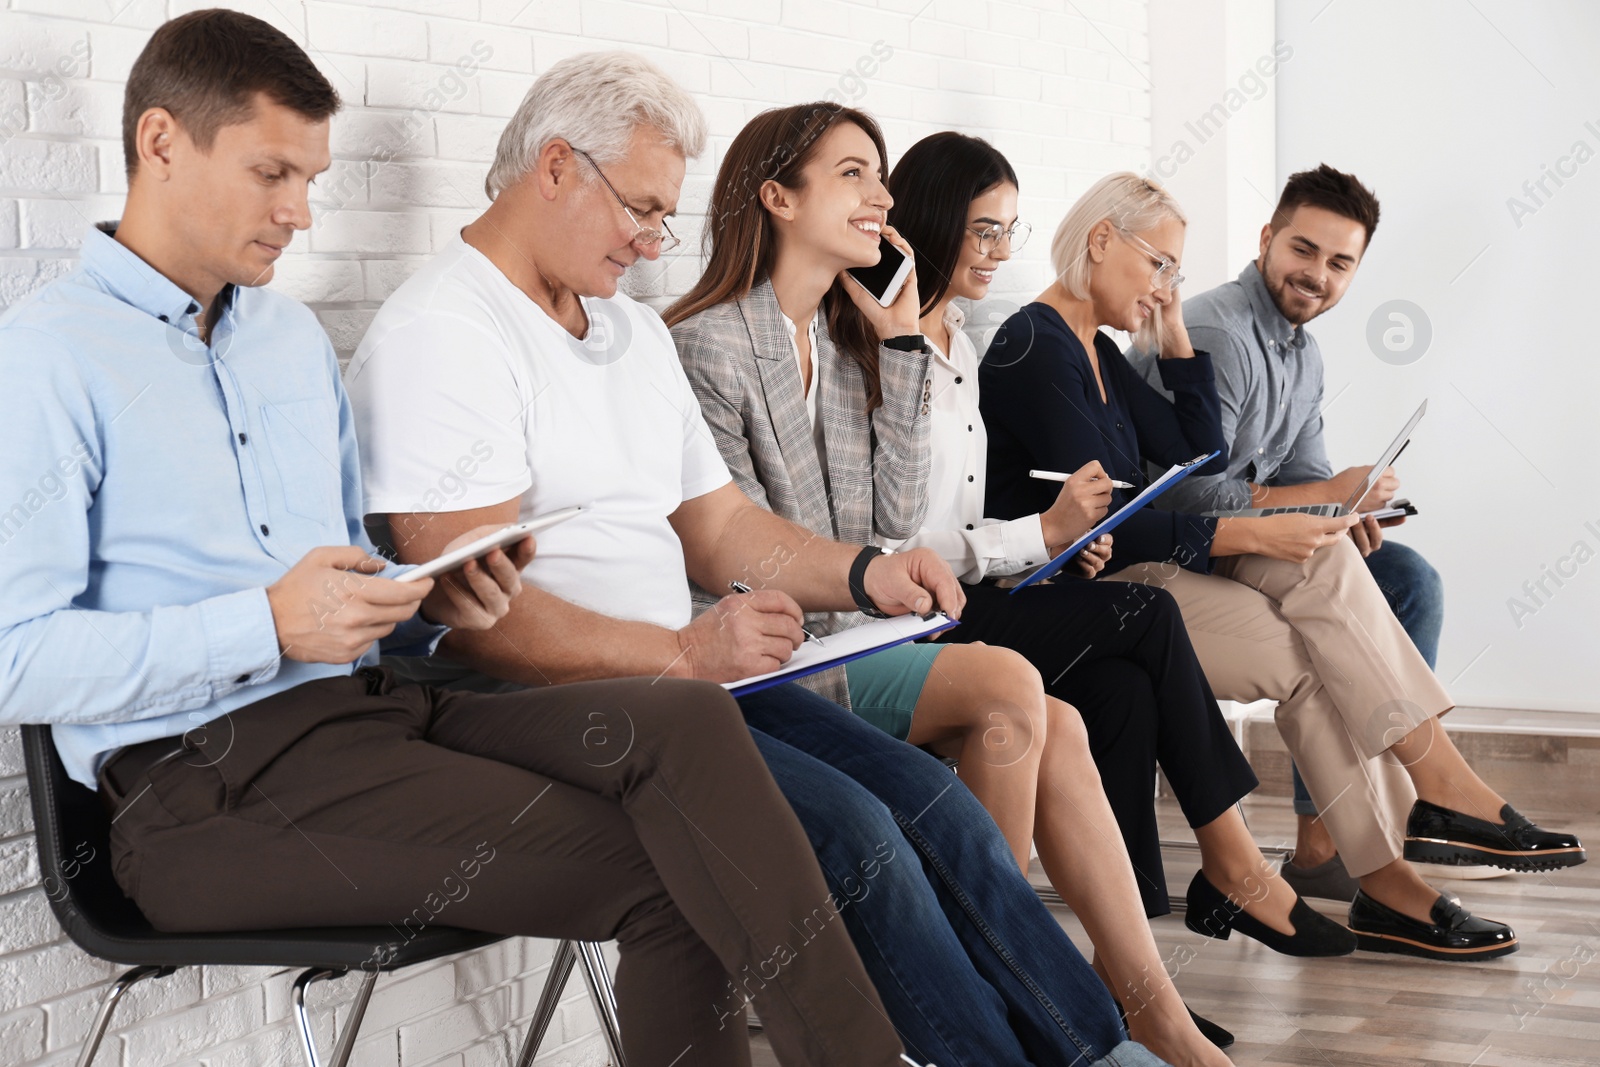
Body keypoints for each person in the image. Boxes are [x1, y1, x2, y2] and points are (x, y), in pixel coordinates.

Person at [0, 14, 932, 1067]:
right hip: (197, 795)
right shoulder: (48, 358)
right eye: (273, 173)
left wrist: (428, 591)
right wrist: (261, 622)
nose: (300, 212)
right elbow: (16, 657)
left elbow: (344, 576)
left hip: (369, 718)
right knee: (683, 871)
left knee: (684, 725)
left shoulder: (287, 337)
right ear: (161, 142)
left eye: (310, 178)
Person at [346, 52, 1168, 1067]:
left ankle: (1102, 1053)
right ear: (554, 167)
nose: (653, 243)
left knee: (939, 808)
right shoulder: (444, 332)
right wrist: (683, 651)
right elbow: (482, 616)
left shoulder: (629, 331)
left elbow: (725, 526)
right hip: (556, 700)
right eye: (641, 211)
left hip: (695, 679)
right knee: (857, 838)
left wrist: (866, 572)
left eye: (666, 216)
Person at [662, 113, 1347, 1062]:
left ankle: (1143, 1009)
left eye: (884, 180)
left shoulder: (846, 333)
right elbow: (770, 550)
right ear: (778, 198)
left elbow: (880, 517)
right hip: (787, 654)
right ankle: (1052, 992)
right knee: (1031, 682)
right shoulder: (714, 345)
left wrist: (900, 345)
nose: (881, 198)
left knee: (1073, 710)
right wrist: (995, 530)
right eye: (856, 174)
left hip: (858, 629)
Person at [979, 171, 1584, 962]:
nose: (1168, 285)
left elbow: (1196, 448)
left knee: (1329, 617)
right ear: (1101, 242)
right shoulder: (1036, 345)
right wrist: (1256, 534)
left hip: (1149, 567)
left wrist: (1170, 336)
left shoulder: (1095, 347)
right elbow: (1104, 526)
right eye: (1158, 264)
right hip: (1097, 586)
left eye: (1176, 271)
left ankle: (1403, 842)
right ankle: (1410, 834)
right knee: (1315, 648)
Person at [1130, 164, 1450, 901]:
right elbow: (1202, 497)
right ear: (1268, 238)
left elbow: (1306, 473)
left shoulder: (1303, 352)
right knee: (1335, 603)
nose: (1317, 276)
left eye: (1340, 263)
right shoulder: (1219, 330)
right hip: (1184, 548)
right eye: (1303, 251)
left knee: (1408, 579)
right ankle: (1418, 790)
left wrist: (1350, 507)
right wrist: (1325, 496)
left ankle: (1323, 842)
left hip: (1253, 548)